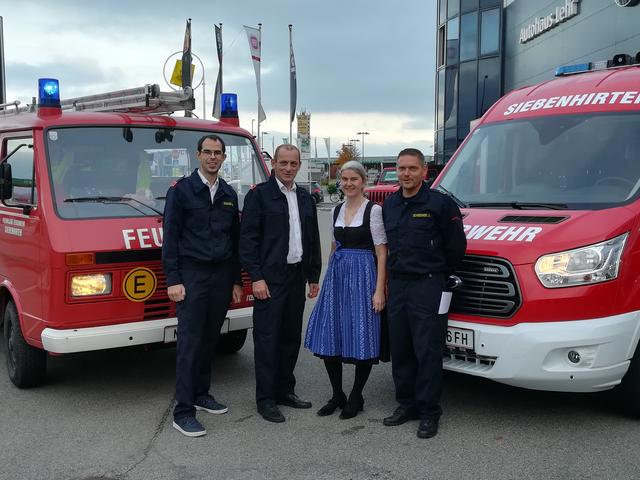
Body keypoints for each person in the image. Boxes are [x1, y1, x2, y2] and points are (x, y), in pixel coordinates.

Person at [162, 134, 243, 437]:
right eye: (207, 152)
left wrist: (236, 279)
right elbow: (170, 238)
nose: (212, 157)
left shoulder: (228, 193)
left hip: (221, 275)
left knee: (210, 338)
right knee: (190, 342)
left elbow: (234, 241)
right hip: (192, 274)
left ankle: (201, 393)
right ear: (198, 156)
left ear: (223, 158)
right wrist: (174, 280)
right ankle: (183, 411)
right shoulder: (181, 191)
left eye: (217, 153)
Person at [382, 148, 466, 439]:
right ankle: (406, 405)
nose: (406, 174)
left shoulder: (440, 204)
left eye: (412, 169)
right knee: (401, 348)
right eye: (401, 168)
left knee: (427, 350)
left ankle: (429, 412)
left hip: (428, 285)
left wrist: (440, 274)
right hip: (399, 285)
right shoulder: (390, 205)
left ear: (424, 171)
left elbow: (456, 247)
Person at [240, 144, 322, 423]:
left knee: (289, 337)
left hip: (297, 276)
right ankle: (266, 398)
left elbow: (312, 239)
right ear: (273, 163)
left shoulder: (304, 198)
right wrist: (257, 277)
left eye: (293, 163)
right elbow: (247, 241)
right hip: (270, 279)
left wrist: (313, 276)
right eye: (283, 163)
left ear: (299, 165)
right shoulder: (259, 196)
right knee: (266, 339)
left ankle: (286, 390)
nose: (288, 168)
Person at [304, 160, 387, 419]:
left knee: (362, 332)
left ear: (364, 182)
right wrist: (326, 277)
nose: (349, 184)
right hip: (338, 276)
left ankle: (356, 395)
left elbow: (382, 253)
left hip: (364, 275)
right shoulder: (336, 209)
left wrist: (379, 289)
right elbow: (333, 244)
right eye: (345, 179)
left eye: (354, 179)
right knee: (332, 332)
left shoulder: (373, 211)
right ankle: (337, 393)